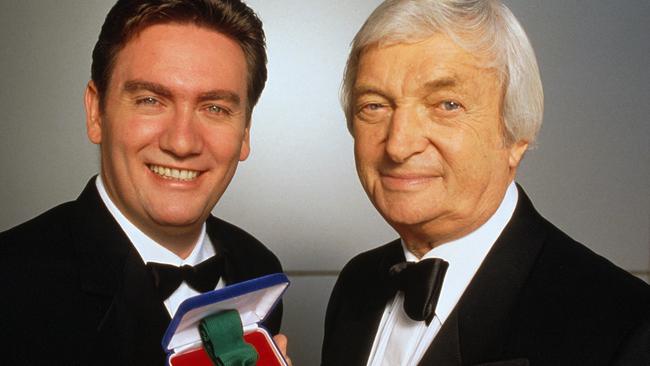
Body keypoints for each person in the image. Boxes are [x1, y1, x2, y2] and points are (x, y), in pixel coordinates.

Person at [321, 1, 650, 365]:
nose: (399, 145)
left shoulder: (625, 325)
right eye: (375, 105)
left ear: (516, 135)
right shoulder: (357, 284)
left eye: (447, 105)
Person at [0, 0, 286, 364]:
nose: (182, 143)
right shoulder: (9, 284)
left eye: (215, 108)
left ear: (245, 132)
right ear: (96, 112)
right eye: (151, 100)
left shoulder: (259, 266)